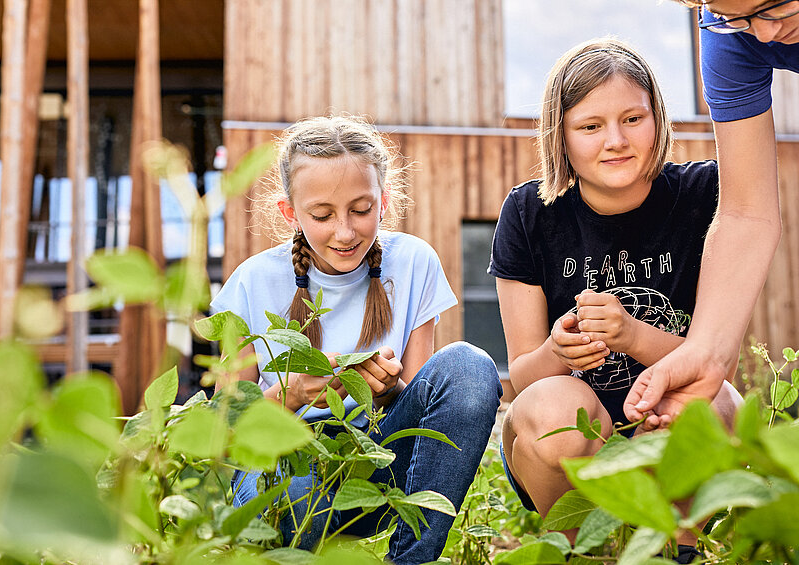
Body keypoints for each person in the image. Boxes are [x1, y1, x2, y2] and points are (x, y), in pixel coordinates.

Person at [488, 38, 742, 561]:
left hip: (667, 420)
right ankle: (583, 551)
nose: (616, 141)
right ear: (561, 136)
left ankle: (680, 549)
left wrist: (631, 334)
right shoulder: (529, 213)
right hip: (565, 442)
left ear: (658, 118)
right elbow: (524, 380)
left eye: (633, 118)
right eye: (590, 126)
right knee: (551, 407)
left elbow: (720, 364)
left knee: (711, 405)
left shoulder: (704, 195)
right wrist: (560, 353)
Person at [210, 115, 502, 564]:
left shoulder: (414, 263)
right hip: (285, 464)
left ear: (384, 202)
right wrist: (286, 396)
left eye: (361, 210)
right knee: (298, 480)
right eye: (322, 215)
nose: (344, 232)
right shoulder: (251, 283)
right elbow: (225, 438)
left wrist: (387, 389)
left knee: (469, 366)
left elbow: (422, 417)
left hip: (377, 463)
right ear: (291, 213)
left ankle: (410, 559)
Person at [625, 0, 799, 429]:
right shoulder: (729, 35)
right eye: (732, 17)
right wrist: (705, 351)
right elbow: (746, 213)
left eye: (772, 8)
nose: (762, 35)